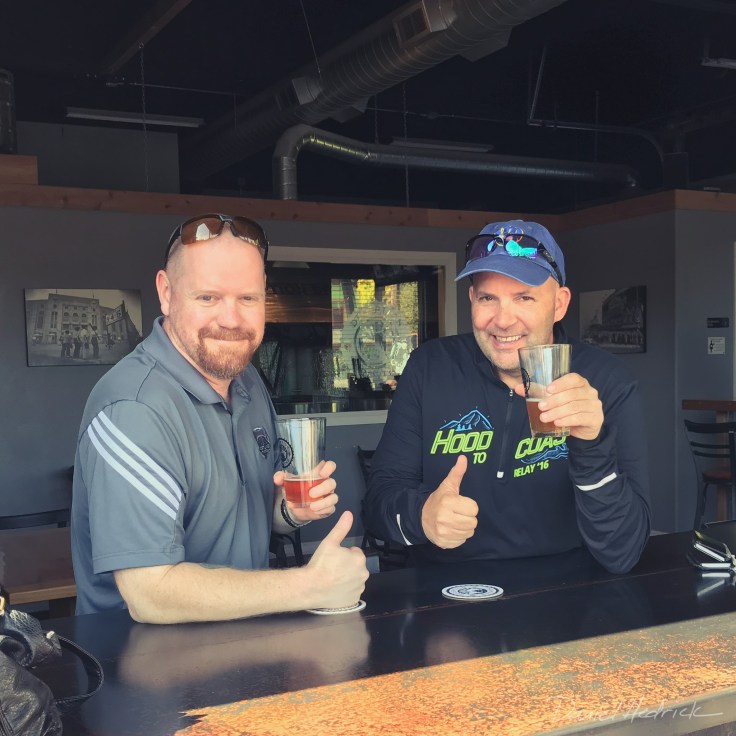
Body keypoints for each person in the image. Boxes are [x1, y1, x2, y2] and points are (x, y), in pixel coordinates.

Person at [71, 213, 368, 623]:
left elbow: (244, 518)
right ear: (166, 293)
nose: (231, 319)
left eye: (247, 298)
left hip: (246, 643)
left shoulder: (247, 381)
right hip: (145, 659)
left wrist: (289, 511)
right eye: (208, 297)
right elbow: (150, 592)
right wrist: (311, 586)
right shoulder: (135, 408)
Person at [363, 220, 650, 574]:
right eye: (488, 298)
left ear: (559, 304)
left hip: (568, 589)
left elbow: (623, 552)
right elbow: (377, 504)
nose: (502, 320)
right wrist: (421, 516)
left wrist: (592, 446)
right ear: (472, 299)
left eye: (523, 297)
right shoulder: (430, 367)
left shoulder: (608, 383)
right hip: (444, 589)